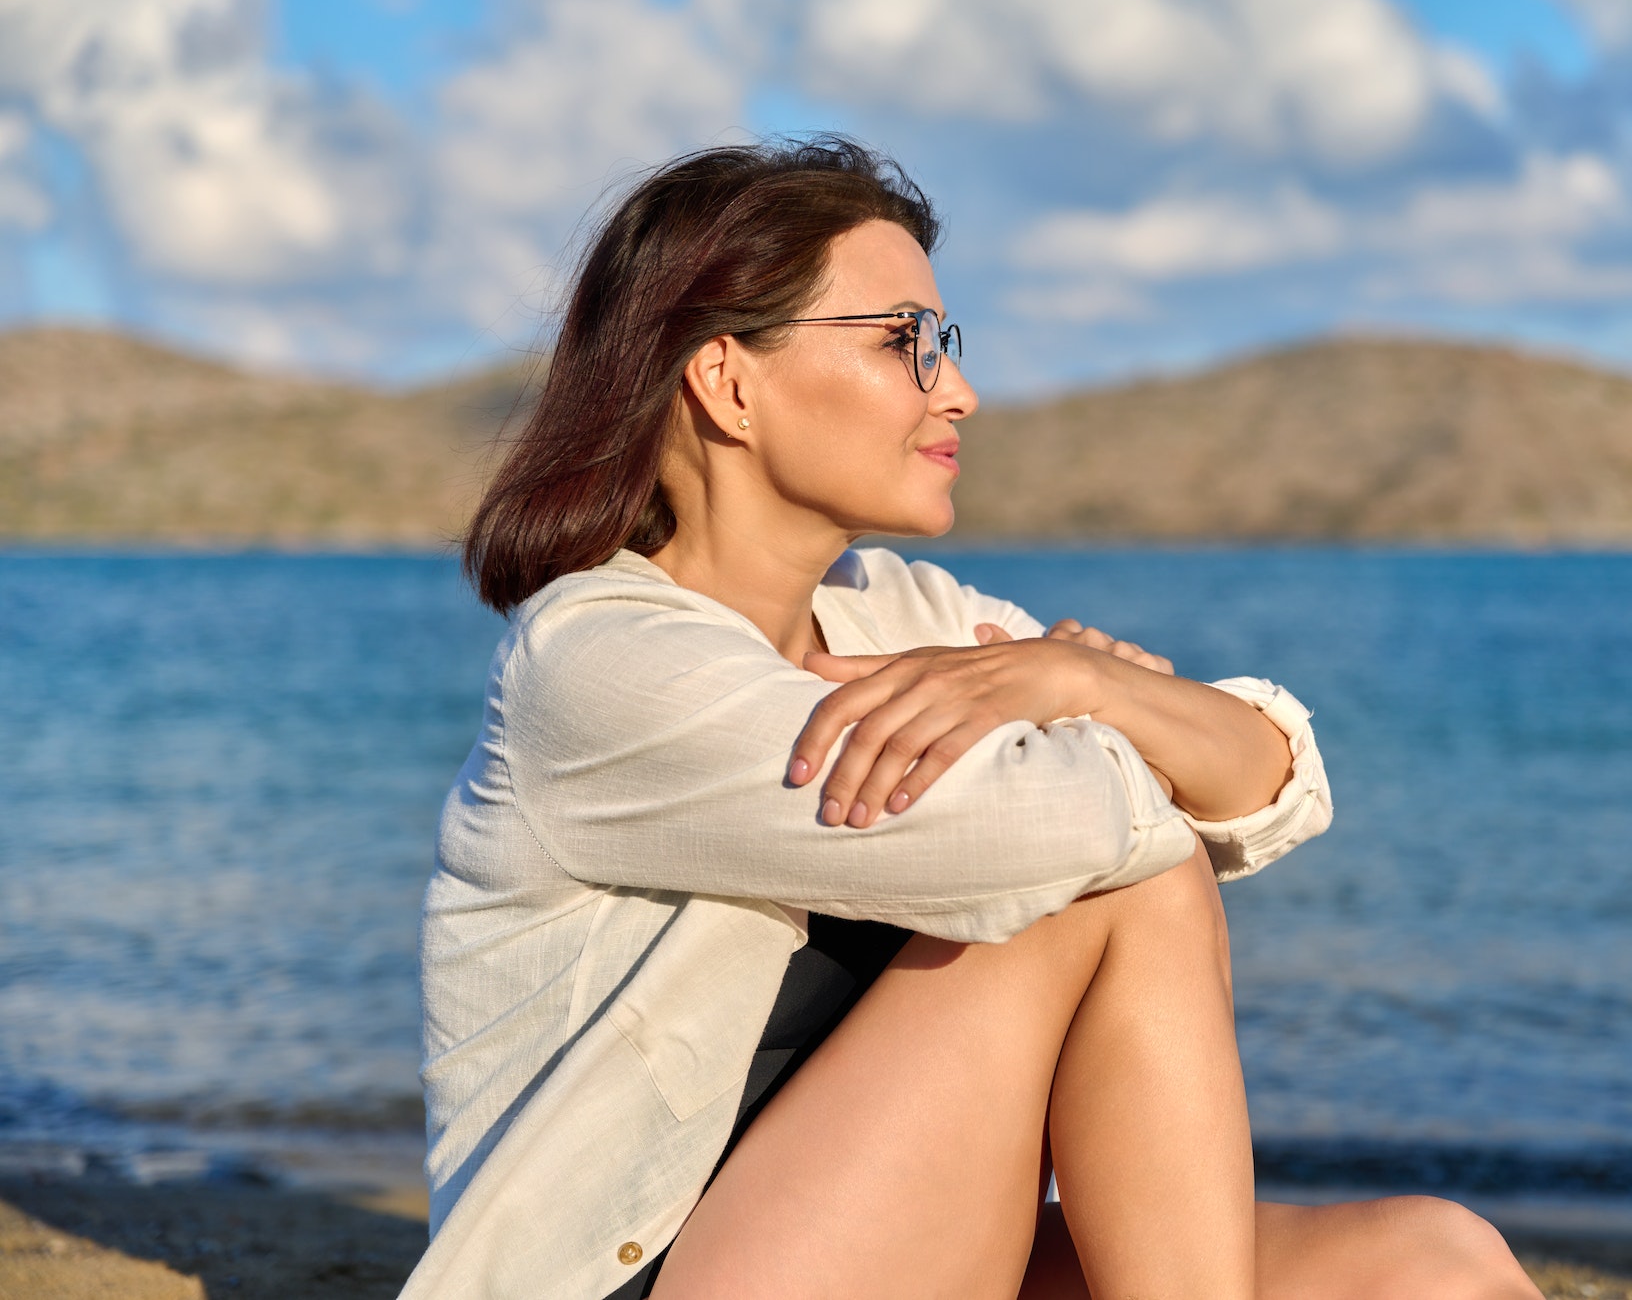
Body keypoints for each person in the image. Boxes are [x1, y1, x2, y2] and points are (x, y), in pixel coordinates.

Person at [398, 138, 1542, 1300]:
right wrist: (1091, 709)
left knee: (1436, 1259)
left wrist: (1086, 689)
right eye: (904, 342)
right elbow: (1088, 841)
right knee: (1107, 887)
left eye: (944, 344)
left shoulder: (897, 611)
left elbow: (1272, 782)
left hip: (870, 1245)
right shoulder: (597, 662)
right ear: (726, 381)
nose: (958, 390)